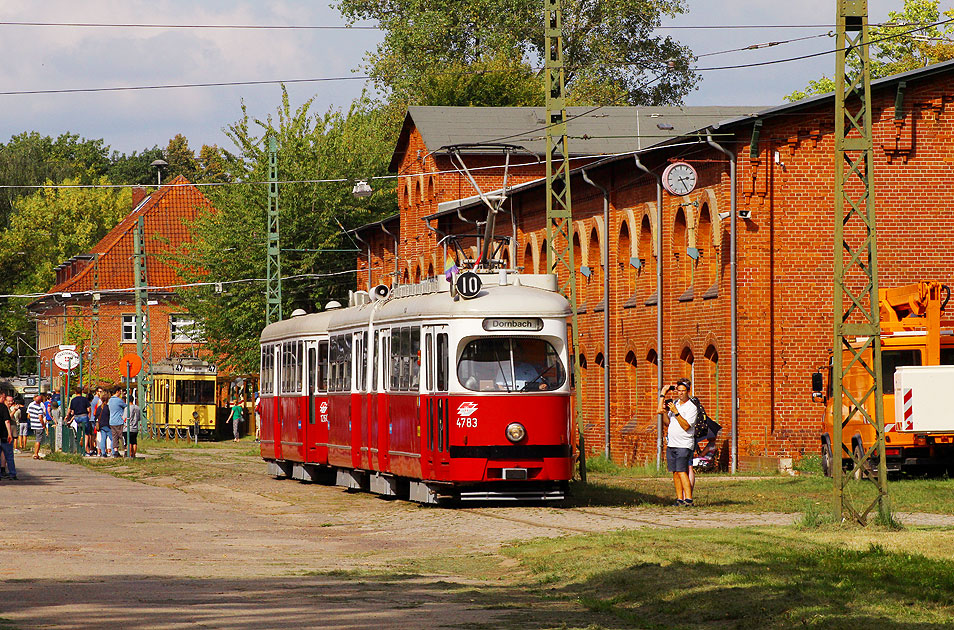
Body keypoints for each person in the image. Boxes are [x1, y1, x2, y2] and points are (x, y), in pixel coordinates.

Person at [657, 377, 697, 507]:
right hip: (672, 443)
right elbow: (668, 423)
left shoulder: (691, 407)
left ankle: (689, 499)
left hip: (684, 444)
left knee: (682, 471)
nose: (680, 393)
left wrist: (676, 412)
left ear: (688, 391)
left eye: (683, 391)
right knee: (675, 472)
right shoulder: (675, 404)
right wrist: (664, 412)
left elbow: (686, 426)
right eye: (678, 390)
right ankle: (679, 499)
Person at [66, 387, 91, 455]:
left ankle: (81, 438)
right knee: (86, 433)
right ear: (81, 392)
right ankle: (85, 448)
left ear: (75, 392)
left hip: (76, 417)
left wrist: (67, 416)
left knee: (79, 429)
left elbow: (70, 409)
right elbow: (89, 409)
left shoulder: (73, 400)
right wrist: (89, 416)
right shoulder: (85, 399)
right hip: (84, 416)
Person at [107, 387, 127, 457]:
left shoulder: (110, 400)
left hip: (112, 421)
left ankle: (115, 451)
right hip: (119, 420)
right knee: (123, 436)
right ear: (117, 391)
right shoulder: (119, 400)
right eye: (120, 391)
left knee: (115, 437)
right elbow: (126, 406)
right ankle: (126, 450)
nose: (121, 393)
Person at [26, 394, 46, 460]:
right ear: (40, 401)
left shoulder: (31, 407)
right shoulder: (39, 408)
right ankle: (36, 454)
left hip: (33, 425)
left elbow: (28, 416)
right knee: (38, 440)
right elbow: (40, 418)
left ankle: (35, 452)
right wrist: (43, 424)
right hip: (39, 425)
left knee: (36, 439)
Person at [0, 395, 15, 480]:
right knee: (9, 455)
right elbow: (7, 421)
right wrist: (9, 434)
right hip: (3, 435)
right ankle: (12, 473)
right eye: (3, 397)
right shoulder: (3, 407)